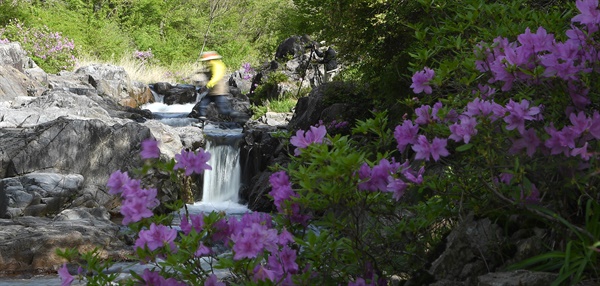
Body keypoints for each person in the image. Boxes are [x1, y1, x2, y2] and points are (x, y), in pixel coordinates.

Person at [193, 51, 237, 121]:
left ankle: (239, 116)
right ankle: (201, 121)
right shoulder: (214, 64)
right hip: (213, 91)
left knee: (223, 110)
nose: (206, 61)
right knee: (202, 105)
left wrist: (207, 86)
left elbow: (216, 77)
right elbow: (211, 73)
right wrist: (200, 72)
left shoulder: (216, 65)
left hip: (218, 92)